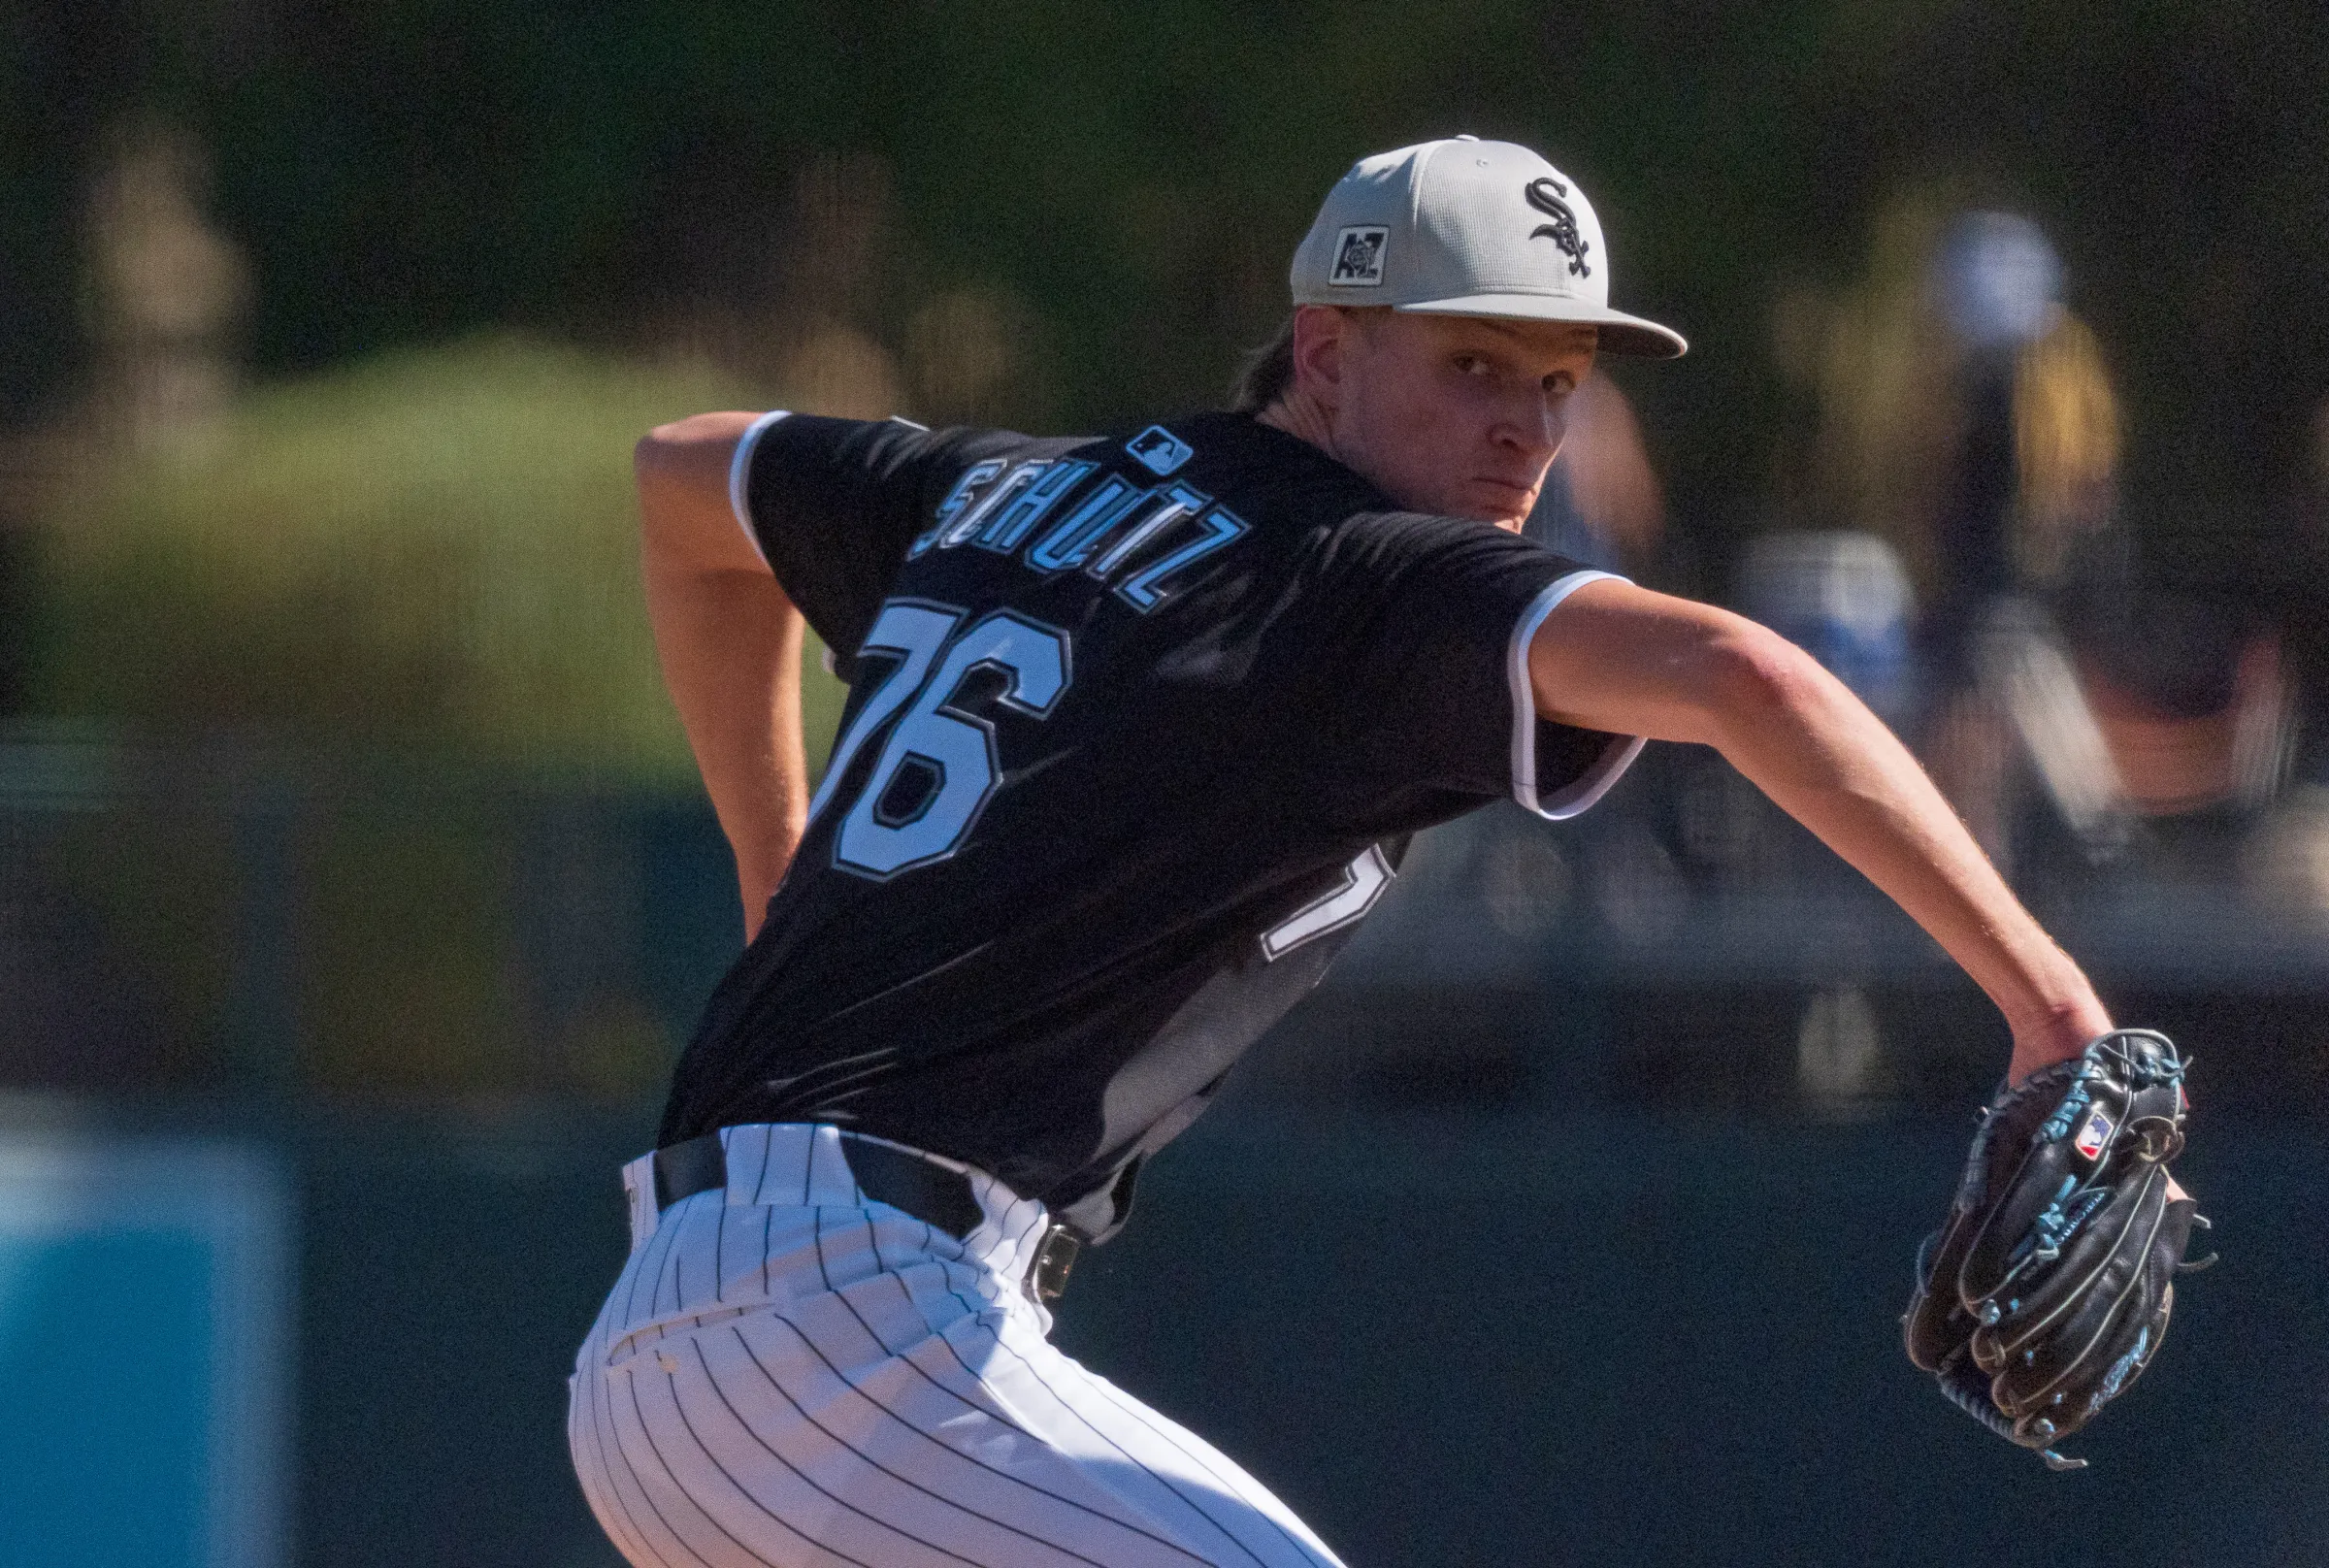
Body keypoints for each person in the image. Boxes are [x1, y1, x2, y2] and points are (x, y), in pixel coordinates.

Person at [571, 137, 2130, 1568]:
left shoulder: (1005, 488)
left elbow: (679, 481)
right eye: (1472, 365)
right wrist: (2052, 1003)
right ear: (1325, 352)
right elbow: (1751, 680)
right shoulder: (1358, 578)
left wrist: (774, 873)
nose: (1525, 426)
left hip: (689, 1339)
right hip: (846, 1338)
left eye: (1559, 380)